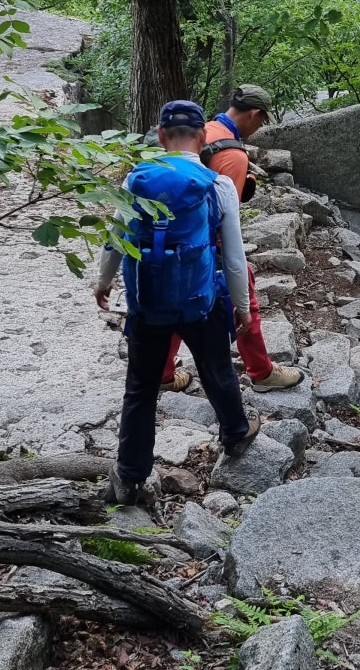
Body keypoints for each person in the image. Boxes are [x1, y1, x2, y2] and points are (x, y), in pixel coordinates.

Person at [94, 100, 261, 503]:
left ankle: (131, 476)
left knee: (140, 388)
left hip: (147, 302)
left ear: (161, 135)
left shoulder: (137, 179)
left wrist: (103, 282)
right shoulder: (216, 184)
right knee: (217, 367)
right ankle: (236, 433)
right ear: (203, 138)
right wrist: (241, 306)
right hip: (199, 298)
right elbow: (234, 257)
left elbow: (115, 238)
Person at [160, 84, 302, 394]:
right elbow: (226, 221)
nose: (259, 127)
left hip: (166, 240)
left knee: (173, 307)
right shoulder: (234, 155)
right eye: (261, 121)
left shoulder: (203, 130)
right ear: (253, 114)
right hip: (206, 247)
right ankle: (262, 373)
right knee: (245, 300)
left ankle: (163, 373)